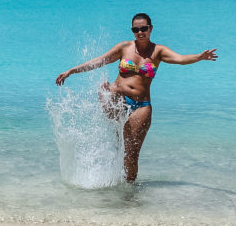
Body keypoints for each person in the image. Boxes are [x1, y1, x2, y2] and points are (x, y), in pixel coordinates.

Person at [55, 13, 217, 182]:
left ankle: (129, 193)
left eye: (144, 29)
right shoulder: (124, 47)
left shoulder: (158, 51)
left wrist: (199, 57)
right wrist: (72, 71)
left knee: (131, 154)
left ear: (151, 28)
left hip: (141, 105)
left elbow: (181, 59)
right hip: (118, 100)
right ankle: (106, 96)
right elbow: (99, 61)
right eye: (136, 29)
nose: (140, 32)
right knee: (116, 132)